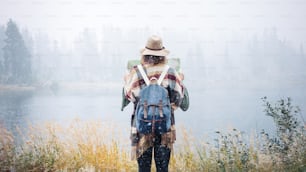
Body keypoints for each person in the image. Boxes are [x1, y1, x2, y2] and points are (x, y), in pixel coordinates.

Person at [122, 35, 188, 172]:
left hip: (141, 129)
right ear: (162, 55)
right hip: (164, 128)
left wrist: (126, 80)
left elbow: (129, 96)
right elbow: (179, 99)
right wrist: (180, 80)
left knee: (144, 169)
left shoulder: (137, 71)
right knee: (162, 168)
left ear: (145, 54)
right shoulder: (170, 72)